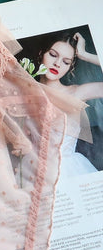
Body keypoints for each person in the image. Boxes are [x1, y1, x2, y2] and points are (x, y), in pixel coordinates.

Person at [36, 32, 103, 178]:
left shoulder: (77, 93)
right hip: (29, 170)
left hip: (67, 171)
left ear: (70, 66)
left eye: (66, 62)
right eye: (53, 55)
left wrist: (85, 55)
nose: (57, 64)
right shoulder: (23, 91)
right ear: (41, 54)